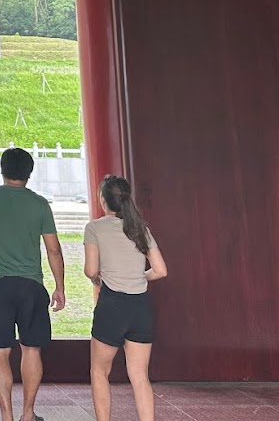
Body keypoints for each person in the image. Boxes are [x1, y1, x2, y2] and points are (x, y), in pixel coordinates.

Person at [0, 147, 65, 421]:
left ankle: (6, 416)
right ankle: (27, 414)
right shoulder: (40, 204)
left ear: (2, 170)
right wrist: (59, 286)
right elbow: (53, 249)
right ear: (29, 172)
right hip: (31, 286)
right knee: (31, 349)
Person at [85, 174, 168, 421]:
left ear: (103, 200)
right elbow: (160, 270)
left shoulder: (95, 227)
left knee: (100, 371)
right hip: (140, 307)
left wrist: (97, 277)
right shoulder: (140, 229)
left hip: (112, 305)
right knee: (140, 376)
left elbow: (90, 270)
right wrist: (139, 276)